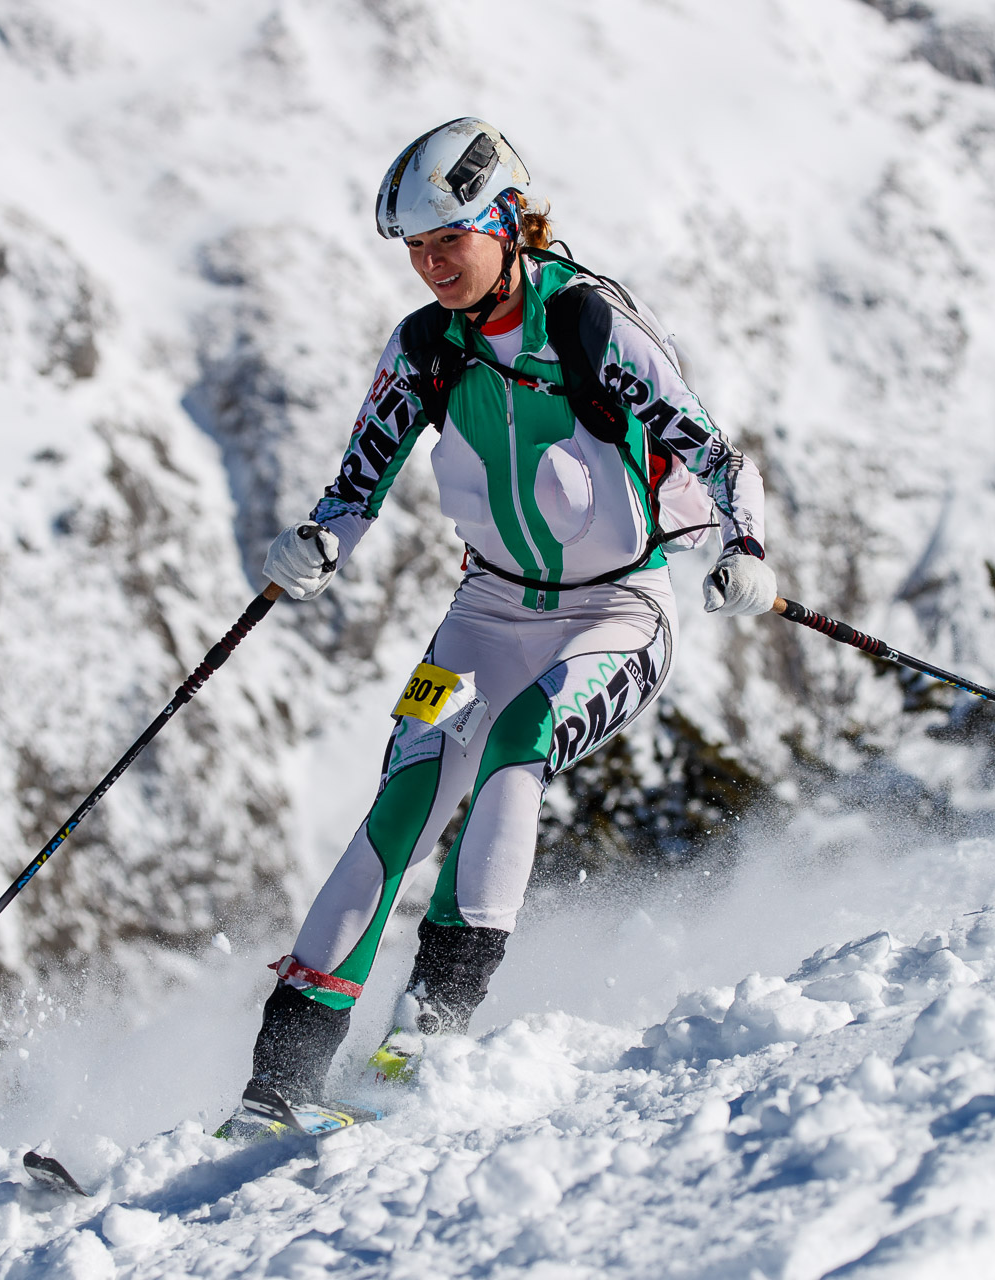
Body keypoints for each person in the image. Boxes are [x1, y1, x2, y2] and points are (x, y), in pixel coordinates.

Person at [221, 118, 775, 1138]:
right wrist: (318, 544)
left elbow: (713, 449)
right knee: (406, 803)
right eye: (417, 248)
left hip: (619, 606)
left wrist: (745, 549)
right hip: (486, 610)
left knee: (519, 745)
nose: (433, 265)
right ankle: (279, 1081)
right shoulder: (426, 344)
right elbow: (359, 483)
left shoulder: (591, 324)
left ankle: (430, 1030)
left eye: (451, 240)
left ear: (507, 222)